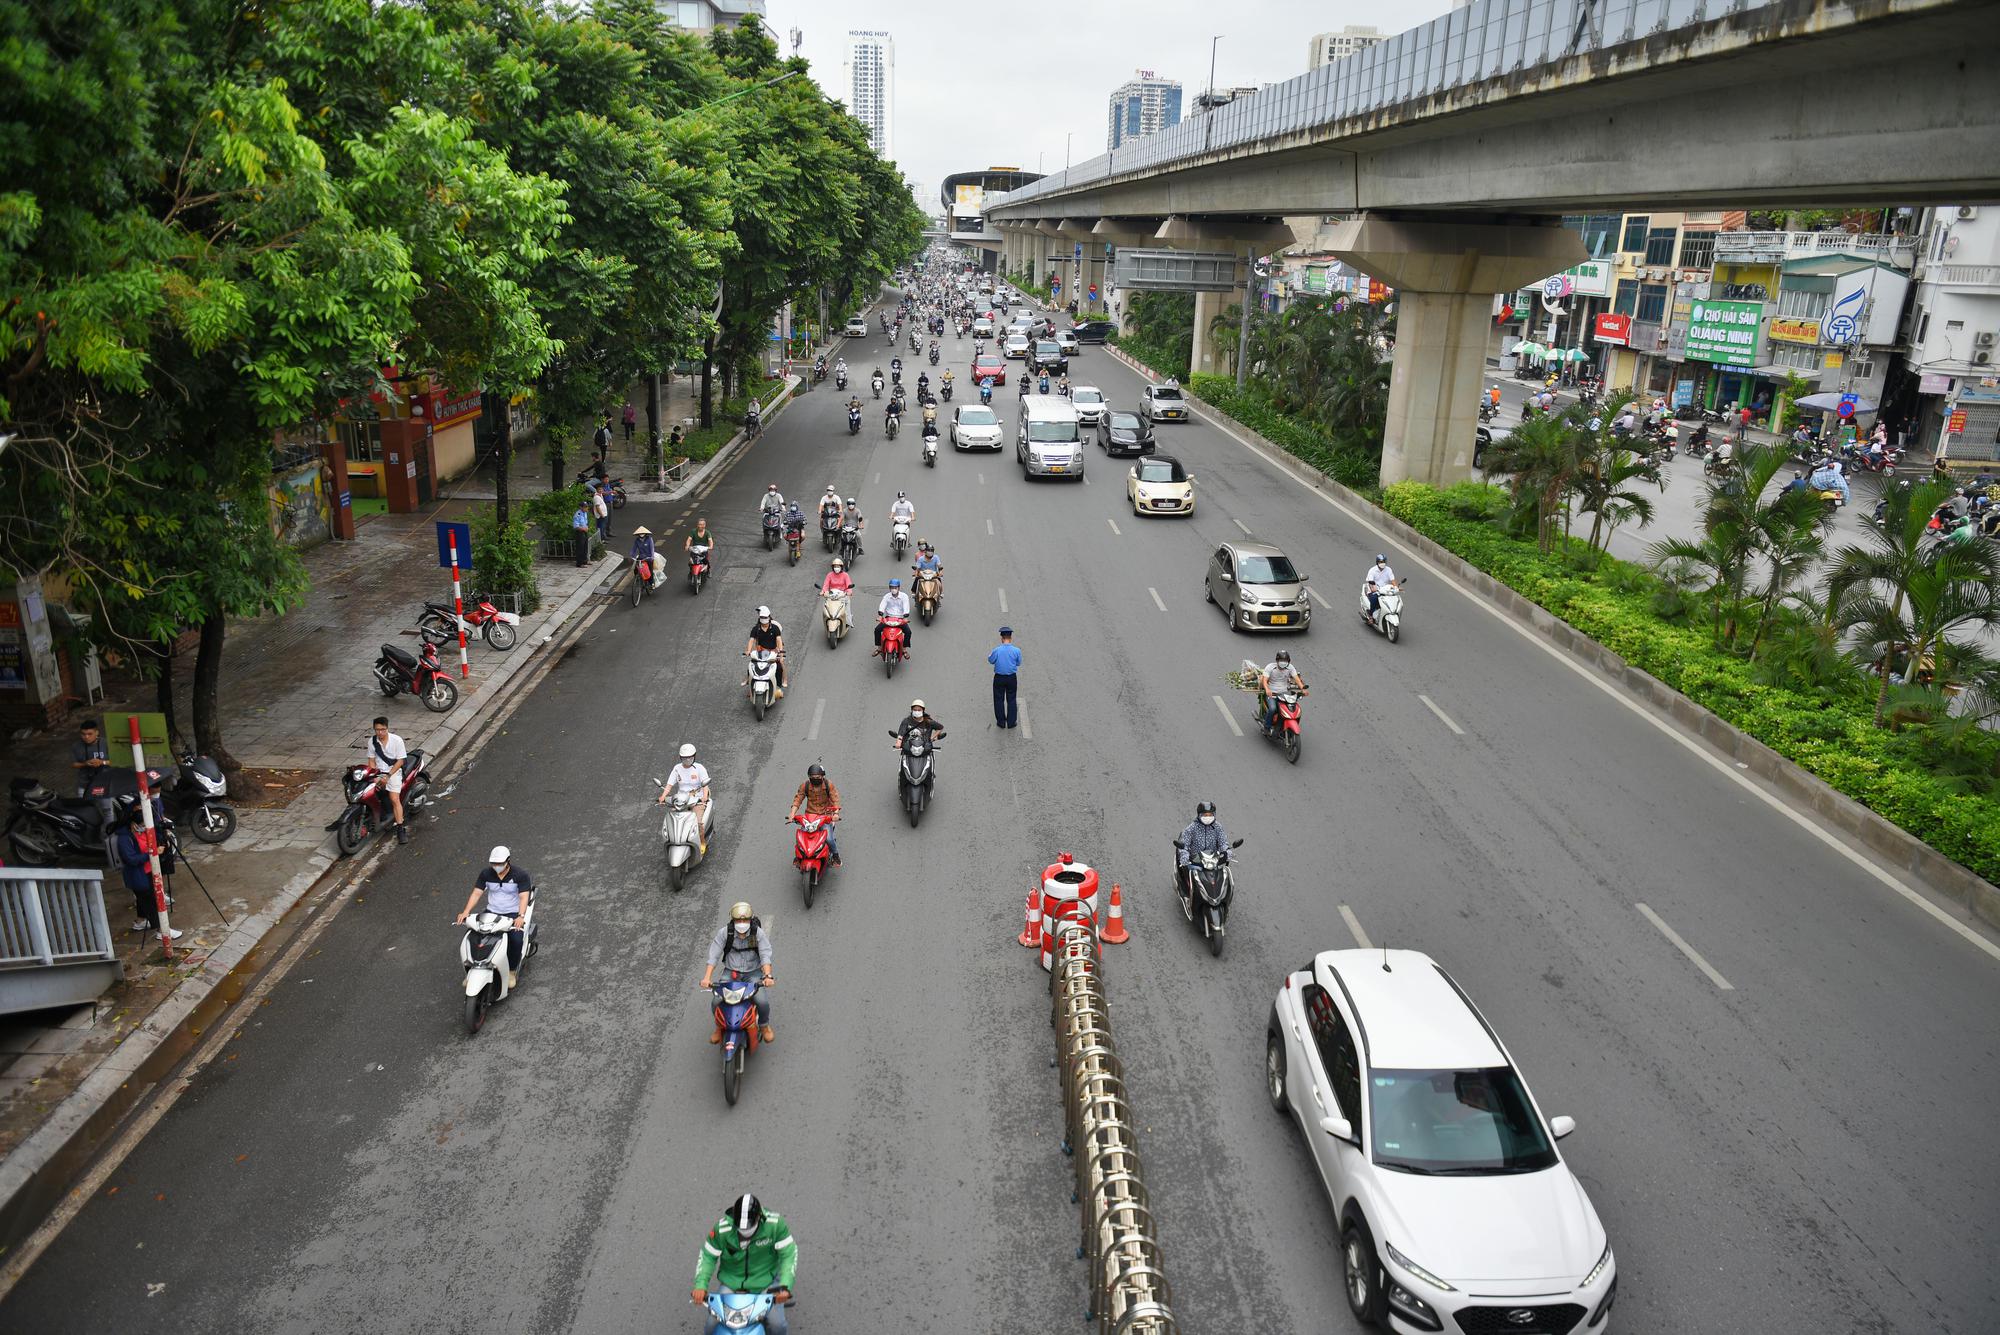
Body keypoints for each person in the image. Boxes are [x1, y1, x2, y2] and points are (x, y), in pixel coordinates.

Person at [691, 1194, 796, 1333]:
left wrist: (785, 1286)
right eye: (740, 1228)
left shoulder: (775, 1225)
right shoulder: (722, 1230)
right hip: (731, 1284)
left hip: (766, 1283)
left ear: (759, 1217)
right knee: (711, 1325)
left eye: (748, 1227)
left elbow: (789, 1254)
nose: (744, 1231)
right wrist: (700, 1286)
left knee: (778, 1325)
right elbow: (707, 1257)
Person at [701, 902, 776, 1043]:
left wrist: (767, 976)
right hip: (731, 973)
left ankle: (764, 1026)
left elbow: (765, 955)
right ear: (733, 920)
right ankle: (719, 1027)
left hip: (752, 974)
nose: (742, 923)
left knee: (762, 1001)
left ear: (750, 919)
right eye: (738, 920)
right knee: (716, 1001)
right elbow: (713, 956)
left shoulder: (757, 933)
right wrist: (707, 978)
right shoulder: (725, 933)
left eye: (745, 920)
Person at [455, 845, 535, 972]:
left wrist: (521, 916)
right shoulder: (486, 874)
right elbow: (476, 893)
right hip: (492, 912)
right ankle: (472, 969)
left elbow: (524, 897)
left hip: (513, 913)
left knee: (516, 940)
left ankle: (512, 971)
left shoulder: (520, 875)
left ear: (508, 861)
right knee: (472, 937)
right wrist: (466, 912)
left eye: (499, 863)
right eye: (493, 863)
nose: (496, 866)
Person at [115, 806, 180, 940]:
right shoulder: (124, 838)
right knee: (151, 901)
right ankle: (161, 930)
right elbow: (131, 859)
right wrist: (152, 853)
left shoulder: (143, 832)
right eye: (143, 824)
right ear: (134, 823)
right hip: (137, 875)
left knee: (143, 899)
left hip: (149, 870)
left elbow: (154, 839)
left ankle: (141, 921)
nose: (145, 827)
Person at [657, 742, 711, 856]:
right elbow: (670, 784)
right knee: (671, 820)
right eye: (685, 758)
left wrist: (704, 797)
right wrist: (662, 796)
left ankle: (702, 843)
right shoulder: (677, 769)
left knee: (699, 823)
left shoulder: (699, 768)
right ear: (681, 757)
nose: (687, 760)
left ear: (694, 756)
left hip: (697, 799)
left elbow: (705, 785)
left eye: (690, 758)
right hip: (681, 801)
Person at [787, 764, 841, 868]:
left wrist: (836, 813)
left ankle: (835, 855)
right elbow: (798, 800)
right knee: (801, 837)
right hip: (810, 817)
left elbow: (835, 799)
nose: (815, 779)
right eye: (812, 778)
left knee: (829, 839)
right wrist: (792, 814)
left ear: (822, 776)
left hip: (825, 816)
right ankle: (799, 857)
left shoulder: (828, 785)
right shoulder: (805, 785)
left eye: (817, 778)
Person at [367, 715, 410, 843]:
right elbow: (371, 760)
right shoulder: (372, 742)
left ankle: (400, 828)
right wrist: (375, 775)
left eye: (383, 729)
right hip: (380, 772)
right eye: (377, 730)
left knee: (394, 799)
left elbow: (401, 761)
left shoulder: (397, 740)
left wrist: (388, 776)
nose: (380, 732)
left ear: (387, 728)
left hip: (394, 772)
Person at [1176, 801, 1232, 888]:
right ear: (1199, 815)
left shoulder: (1218, 827)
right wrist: (1184, 855)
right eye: (1205, 815)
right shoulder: (1192, 828)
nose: (1208, 817)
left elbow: (1223, 842)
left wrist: (1227, 851)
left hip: (1213, 860)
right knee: (1192, 882)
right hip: (1196, 861)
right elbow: (1184, 844)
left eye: (1210, 815)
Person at [1257, 650, 1308, 735]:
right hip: (1272, 693)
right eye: (1281, 660)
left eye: (1285, 661)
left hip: (1285, 694)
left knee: (1295, 709)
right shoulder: (1270, 667)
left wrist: (1303, 688)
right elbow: (1265, 680)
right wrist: (1267, 689)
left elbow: (1297, 679)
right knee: (1273, 709)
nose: (1283, 663)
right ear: (1277, 660)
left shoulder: (1290, 667)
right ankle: (1267, 727)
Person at [747, 606, 786, 695]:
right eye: (762, 618)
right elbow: (751, 640)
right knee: (751, 667)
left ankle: (778, 687)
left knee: (779, 668)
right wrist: (748, 650)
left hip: (773, 652)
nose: (764, 620)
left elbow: (779, 640)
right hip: (761, 652)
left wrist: (780, 652)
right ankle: (751, 687)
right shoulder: (756, 628)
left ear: (769, 617)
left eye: (765, 617)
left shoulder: (775, 628)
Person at [988, 626, 1021, 729]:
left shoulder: (997, 650)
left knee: (998, 699)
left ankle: (1001, 722)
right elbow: (1019, 663)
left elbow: (990, 660)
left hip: (999, 678)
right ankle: (1011, 723)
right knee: (1011, 699)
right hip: (1011, 677)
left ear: (1002, 638)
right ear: (1010, 638)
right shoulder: (1016, 650)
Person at [71, 719, 109, 799]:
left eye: (90, 734)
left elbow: (116, 761)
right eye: (83, 734)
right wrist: (85, 764)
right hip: (84, 784)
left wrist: (102, 762)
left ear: (97, 733)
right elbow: (74, 764)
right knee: (84, 808)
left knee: (107, 809)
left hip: (104, 783)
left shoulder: (106, 743)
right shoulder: (76, 746)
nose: (86, 737)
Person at [877, 578, 912, 650]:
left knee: (908, 632)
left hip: (900, 619)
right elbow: (882, 605)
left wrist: (905, 617)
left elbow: (906, 606)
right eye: (892, 587)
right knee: (877, 630)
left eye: (895, 587)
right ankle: (879, 648)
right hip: (888, 618)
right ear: (889, 588)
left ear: (899, 588)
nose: (893, 589)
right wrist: (880, 616)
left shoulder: (904, 596)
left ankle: (904, 649)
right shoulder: (887, 596)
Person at [630, 525, 661, 589]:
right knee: (636, 569)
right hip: (641, 557)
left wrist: (652, 557)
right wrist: (632, 555)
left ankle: (651, 583)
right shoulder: (637, 541)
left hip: (649, 557)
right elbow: (634, 549)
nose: (641, 534)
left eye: (642, 533)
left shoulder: (649, 539)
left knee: (649, 570)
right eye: (640, 533)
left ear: (645, 534)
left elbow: (652, 549)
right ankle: (638, 580)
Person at [571, 494, 593, 567]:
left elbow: (585, 522)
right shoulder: (578, 514)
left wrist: (586, 528)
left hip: (584, 532)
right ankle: (579, 563)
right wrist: (583, 528)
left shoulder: (585, 513)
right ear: (581, 507)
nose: (587, 508)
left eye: (587, 507)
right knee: (580, 548)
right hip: (580, 532)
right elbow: (575, 526)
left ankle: (585, 561)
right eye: (585, 507)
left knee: (585, 547)